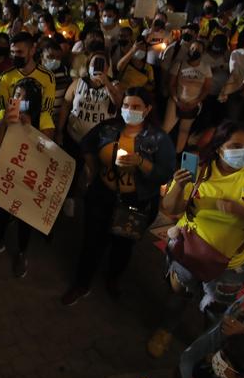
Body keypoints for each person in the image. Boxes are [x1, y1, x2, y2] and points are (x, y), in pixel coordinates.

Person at [149, 121, 244, 358]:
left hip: (230, 265)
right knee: (177, 295)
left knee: (217, 309)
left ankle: (208, 347)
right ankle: (165, 330)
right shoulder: (198, 172)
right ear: (219, 148)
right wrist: (179, 186)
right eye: (236, 145)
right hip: (187, 254)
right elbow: (171, 209)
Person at [62, 88, 174, 305]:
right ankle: (82, 283)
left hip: (135, 202)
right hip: (102, 195)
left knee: (123, 244)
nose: (129, 110)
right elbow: (86, 143)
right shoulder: (108, 128)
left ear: (147, 109)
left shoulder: (159, 138)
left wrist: (141, 162)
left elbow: (165, 173)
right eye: (125, 105)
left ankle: (113, 278)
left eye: (135, 107)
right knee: (92, 241)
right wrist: (92, 169)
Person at [0, 78, 55, 277]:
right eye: (16, 95)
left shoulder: (44, 117)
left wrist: (30, 129)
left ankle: (23, 252)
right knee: (1, 210)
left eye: (25, 97)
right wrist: (4, 123)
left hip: (30, 177)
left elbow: (49, 151)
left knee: (26, 217)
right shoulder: (2, 114)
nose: (19, 99)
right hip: (7, 173)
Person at [0, 32, 57, 136]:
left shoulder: (47, 77)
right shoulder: (5, 77)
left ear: (32, 51)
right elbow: (3, 108)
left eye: (19, 52)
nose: (15, 56)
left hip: (37, 129)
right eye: (12, 52)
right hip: (11, 130)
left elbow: (47, 110)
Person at [163, 38, 212, 153]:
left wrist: (196, 102)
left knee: (184, 130)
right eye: (192, 48)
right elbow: (171, 85)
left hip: (193, 103)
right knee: (165, 128)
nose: (194, 51)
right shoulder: (179, 64)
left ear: (203, 52)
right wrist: (177, 100)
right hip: (176, 100)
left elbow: (206, 88)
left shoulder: (205, 68)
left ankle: (177, 154)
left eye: (198, 49)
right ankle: (157, 150)